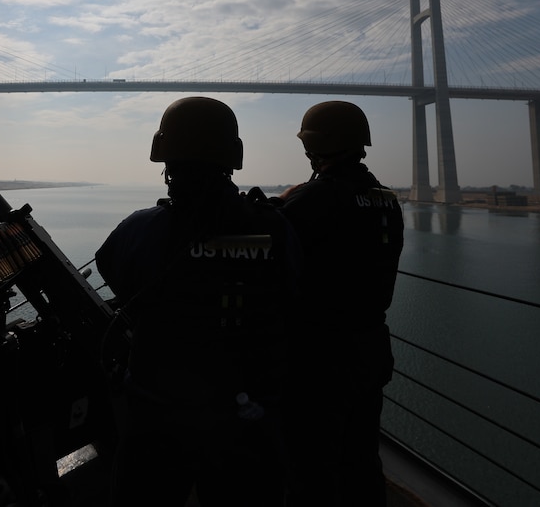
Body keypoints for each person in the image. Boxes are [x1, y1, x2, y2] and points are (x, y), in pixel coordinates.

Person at [96, 96, 300, 507]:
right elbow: (292, 292)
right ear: (231, 157)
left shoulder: (140, 229)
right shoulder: (274, 228)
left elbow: (113, 272)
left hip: (157, 417)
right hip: (246, 422)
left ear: (165, 158)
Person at [273, 100, 404, 506]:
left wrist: (280, 203)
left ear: (314, 148)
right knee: (362, 460)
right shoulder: (388, 200)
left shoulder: (313, 199)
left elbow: (270, 243)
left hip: (319, 359)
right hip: (370, 353)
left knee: (309, 468)